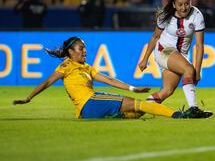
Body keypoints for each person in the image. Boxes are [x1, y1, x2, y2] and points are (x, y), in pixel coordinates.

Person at [13, 36, 183, 119]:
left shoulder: (86, 68)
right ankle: (177, 115)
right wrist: (29, 97)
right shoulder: (66, 66)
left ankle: (117, 118)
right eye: (81, 48)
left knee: (137, 111)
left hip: (93, 104)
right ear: (71, 52)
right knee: (139, 105)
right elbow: (48, 81)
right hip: (89, 103)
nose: (84, 51)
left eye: (85, 48)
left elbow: (109, 80)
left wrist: (133, 88)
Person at [138, 0, 213, 118]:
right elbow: (155, 37)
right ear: (174, 5)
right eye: (180, 4)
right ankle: (193, 108)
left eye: (186, 3)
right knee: (189, 69)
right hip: (164, 51)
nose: (184, 7)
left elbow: (199, 45)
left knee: (167, 91)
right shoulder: (165, 16)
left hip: (180, 56)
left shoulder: (196, 15)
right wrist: (145, 59)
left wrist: (198, 70)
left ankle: (134, 111)